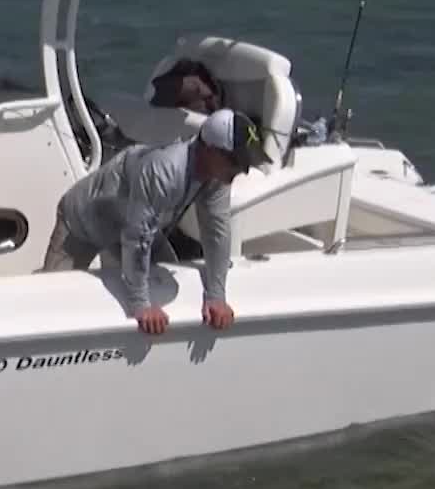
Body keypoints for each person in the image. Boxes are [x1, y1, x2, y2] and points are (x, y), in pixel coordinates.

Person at [41, 107, 271, 334]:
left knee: (164, 271)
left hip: (130, 223)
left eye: (245, 162)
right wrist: (140, 305)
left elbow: (217, 232)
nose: (243, 170)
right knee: (52, 302)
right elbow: (137, 237)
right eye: (236, 160)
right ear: (210, 150)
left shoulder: (218, 178)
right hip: (81, 223)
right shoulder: (165, 170)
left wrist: (216, 296)